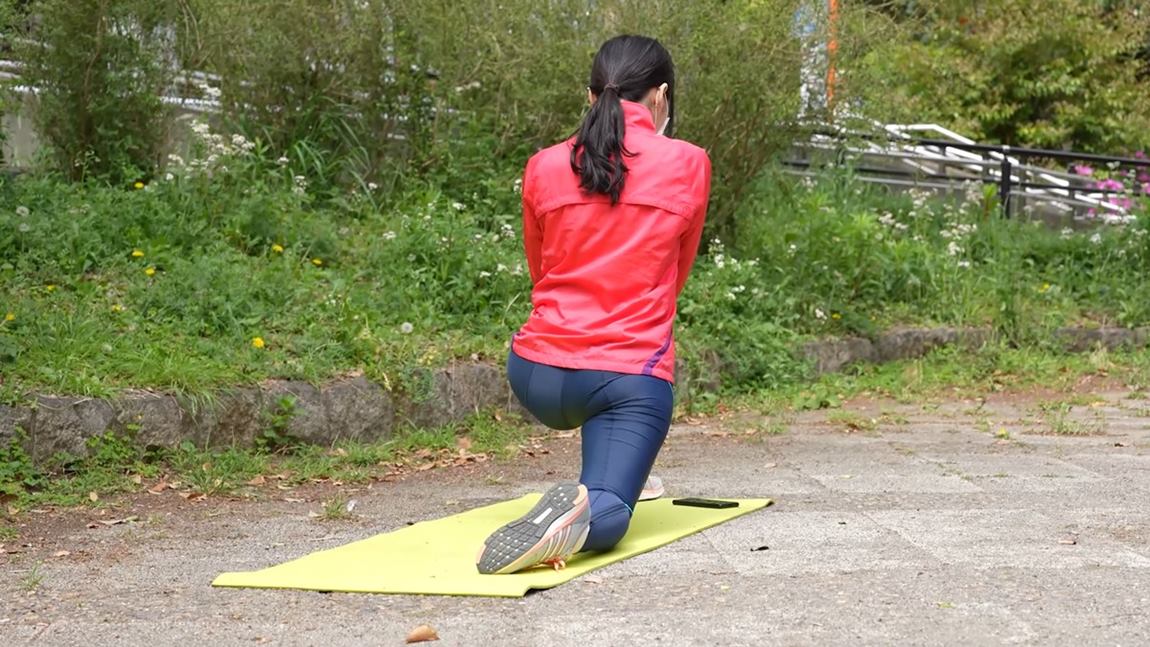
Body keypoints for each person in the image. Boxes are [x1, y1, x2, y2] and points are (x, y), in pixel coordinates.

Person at [476, 34, 712, 575]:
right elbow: (676, 274)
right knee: (609, 514)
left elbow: (543, 271)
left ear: (590, 96)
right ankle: (582, 509)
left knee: (612, 431)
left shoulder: (543, 165)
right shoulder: (689, 163)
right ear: (661, 97)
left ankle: (613, 471)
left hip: (534, 371)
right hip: (623, 380)